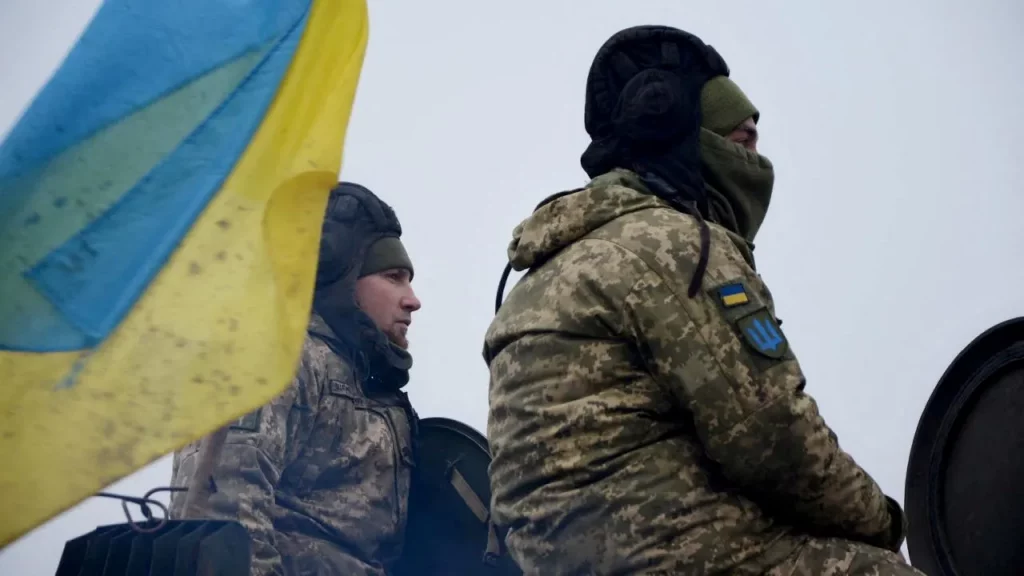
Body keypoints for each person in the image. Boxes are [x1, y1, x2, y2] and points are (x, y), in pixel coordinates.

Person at [483, 25, 923, 575]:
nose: (758, 162)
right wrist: (886, 524)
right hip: (678, 552)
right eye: (743, 141)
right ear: (684, 139)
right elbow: (773, 436)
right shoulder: (673, 245)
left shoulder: (542, 273)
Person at [169, 182, 422, 575]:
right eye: (393, 277)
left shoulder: (371, 391)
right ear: (341, 276)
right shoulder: (274, 358)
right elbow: (223, 512)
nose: (412, 300)